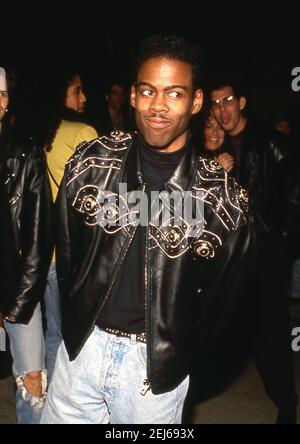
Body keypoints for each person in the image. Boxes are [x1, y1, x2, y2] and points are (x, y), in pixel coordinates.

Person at [41, 34, 252, 424]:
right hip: (81, 352)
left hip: (152, 372)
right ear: (134, 96)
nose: (158, 105)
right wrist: (77, 329)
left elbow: (223, 303)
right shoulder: (91, 164)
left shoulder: (221, 200)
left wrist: (175, 353)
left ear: (196, 101)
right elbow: (67, 256)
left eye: (174, 94)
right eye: (148, 91)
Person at [209, 78, 299, 423]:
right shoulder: (214, 149)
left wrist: (276, 242)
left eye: (228, 100)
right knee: (232, 325)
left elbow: (294, 201)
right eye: (216, 103)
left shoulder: (273, 144)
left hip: (265, 253)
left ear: (242, 102)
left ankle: (285, 404)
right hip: (230, 256)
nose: (222, 109)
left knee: (271, 333)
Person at [0, 66, 52, 423]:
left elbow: (37, 237)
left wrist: (18, 304)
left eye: (1, 95)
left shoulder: (25, 155)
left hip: (17, 287)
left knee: (33, 379)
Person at [41, 71, 98, 381]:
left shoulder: (37, 133)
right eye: (78, 90)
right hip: (74, 257)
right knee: (78, 339)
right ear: (61, 94)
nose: (84, 97)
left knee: (52, 336)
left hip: (41, 254)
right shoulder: (83, 132)